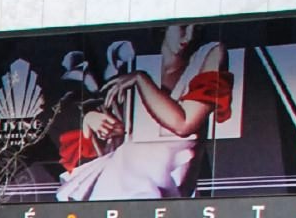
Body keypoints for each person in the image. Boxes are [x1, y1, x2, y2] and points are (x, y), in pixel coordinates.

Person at [57, 23, 230, 202]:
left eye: (198, 29)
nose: (190, 36)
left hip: (166, 182)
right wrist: (93, 120)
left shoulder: (210, 53)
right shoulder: (135, 59)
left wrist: (140, 79)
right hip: (123, 175)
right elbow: (115, 140)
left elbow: (184, 124)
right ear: (164, 27)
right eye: (183, 27)